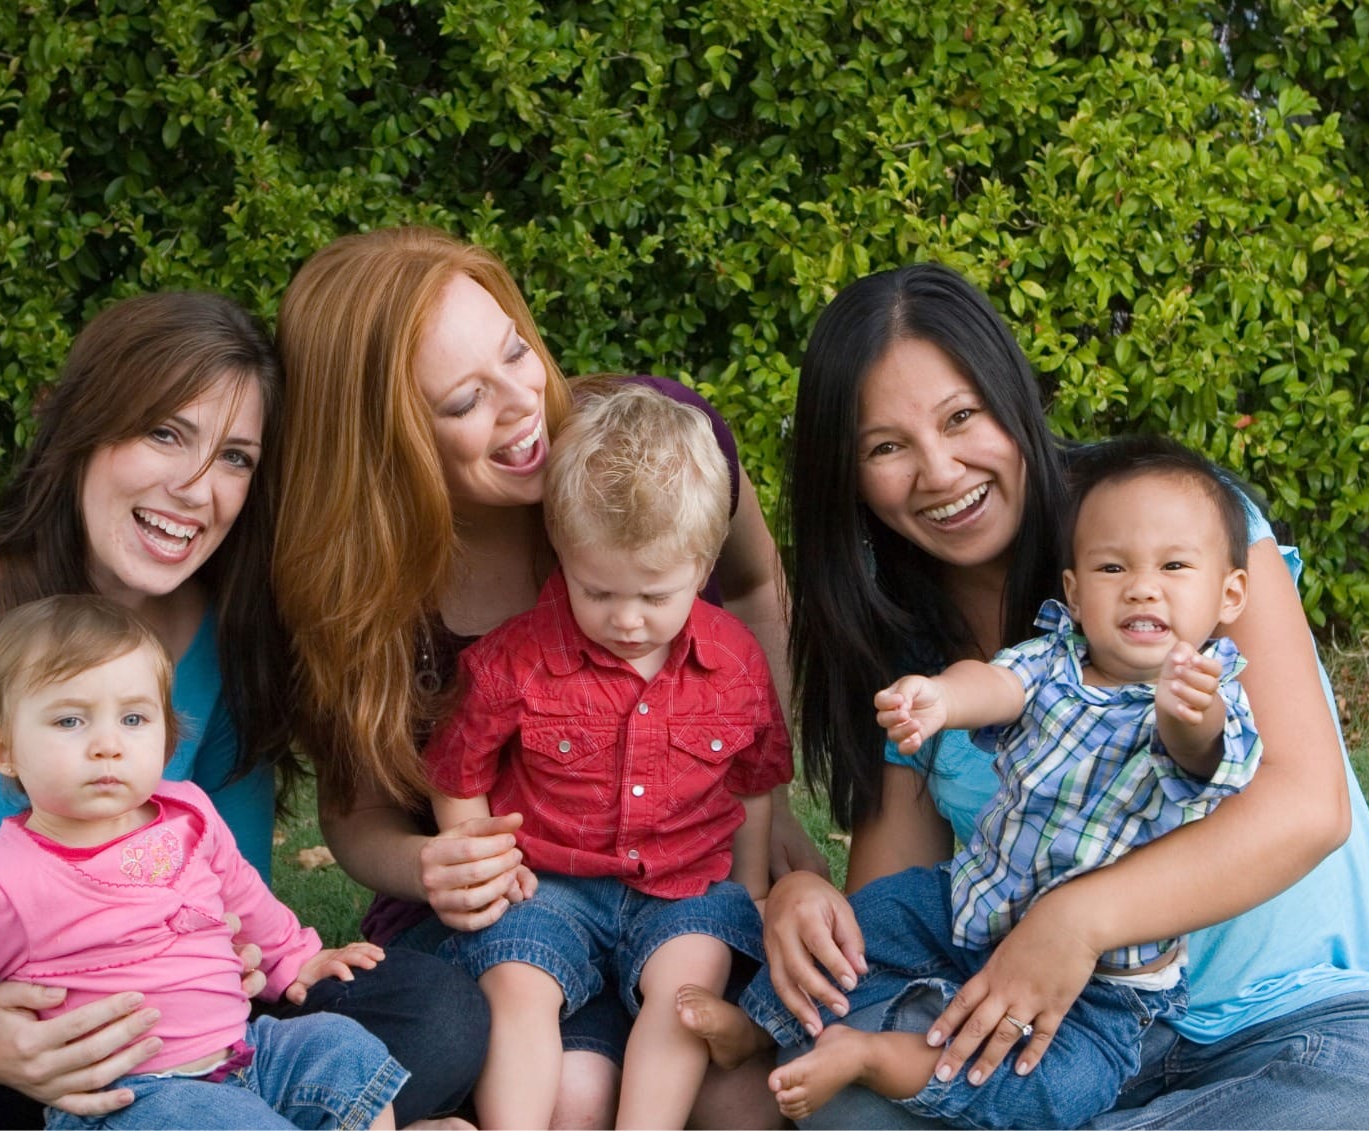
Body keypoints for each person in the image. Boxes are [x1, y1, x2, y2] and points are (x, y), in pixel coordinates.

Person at [0, 292, 485, 1130]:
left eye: (234, 457)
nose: (195, 489)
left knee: (434, 1013)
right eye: (164, 433)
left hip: (164, 1064)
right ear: (84, 426)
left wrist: (252, 952)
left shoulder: (224, 646)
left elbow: (238, 897)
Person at [749, 262, 1369, 1127]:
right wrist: (801, 901)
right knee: (832, 1100)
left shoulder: (1175, 532)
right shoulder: (907, 645)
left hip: (1290, 1026)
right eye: (886, 446)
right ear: (849, 476)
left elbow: (1308, 807)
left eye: (962, 417)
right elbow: (892, 919)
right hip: (1048, 1042)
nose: (938, 471)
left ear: (1013, 401)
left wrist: (1077, 920)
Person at [274, 226, 815, 1127]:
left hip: (674, 875)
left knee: (744, 1097)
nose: (523, 401)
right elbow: (355, 814)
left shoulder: (651, 458)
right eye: (463, 400)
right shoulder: (368, 594)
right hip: (521, 900)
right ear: (385, 437)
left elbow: (756, 584)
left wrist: (765, 789)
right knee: (573, 1094)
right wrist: (429, 863)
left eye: (517, 350)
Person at [685, 435, 1263, 1126]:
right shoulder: (1055, 659)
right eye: (1113, 567)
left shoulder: (1207, 695)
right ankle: (761, 1026)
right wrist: (938, 698)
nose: (1142, 585)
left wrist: (1185, 714)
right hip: (970, 898)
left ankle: (870, 1057)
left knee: (1055, 1085)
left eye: (1173, 565)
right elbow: (993, 683)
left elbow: (1201, 757)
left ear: (1230, 592)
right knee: (868, 923)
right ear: (1075, 593)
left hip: (1104, 987)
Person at [0, 595, 405, 1131]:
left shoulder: (188, 816)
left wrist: (296, 958)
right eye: (70, 721)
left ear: (166, 737)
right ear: (4, 749)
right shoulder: (8, 883)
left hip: (241, 1055)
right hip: (132, 1101)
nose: (107, 744)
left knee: (343, 1048)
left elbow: (246, 897)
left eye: (132, 719)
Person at [423, 384, 793, 1128]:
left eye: (654, 595)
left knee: (690, 988)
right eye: (597, 591)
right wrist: (483, 864)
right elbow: (457, 768)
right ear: (561, 551)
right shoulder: (513, 661)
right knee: (517, 977)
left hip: (686, 884)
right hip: (551, 880)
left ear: (702, 562)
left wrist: (749, 885)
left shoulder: (735, 661)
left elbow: (754, 782)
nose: (626, 619)